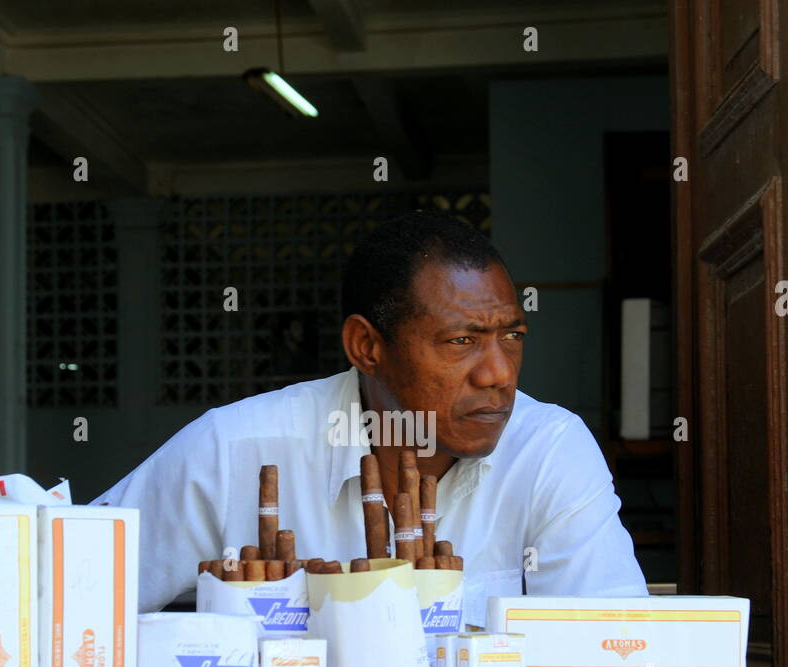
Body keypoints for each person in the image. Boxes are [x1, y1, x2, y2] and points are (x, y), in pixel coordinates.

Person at [92, 210, 647, 625]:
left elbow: (610, 652)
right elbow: (71, 595)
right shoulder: (235, 449)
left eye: (512, 335)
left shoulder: (549, 449)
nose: (499, 373)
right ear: (367, 347)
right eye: (461, 341)